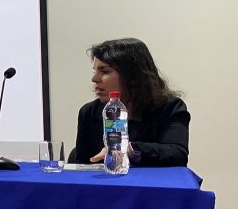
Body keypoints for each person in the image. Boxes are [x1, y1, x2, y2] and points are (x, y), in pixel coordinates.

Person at [69, 38, 190, 167]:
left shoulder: (170, 107)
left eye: (104, 71)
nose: (94, 79)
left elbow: (177, 154)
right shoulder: (89, 112)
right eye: (95, 71)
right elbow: (82, 166)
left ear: (132, 75)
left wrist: (129, 150)